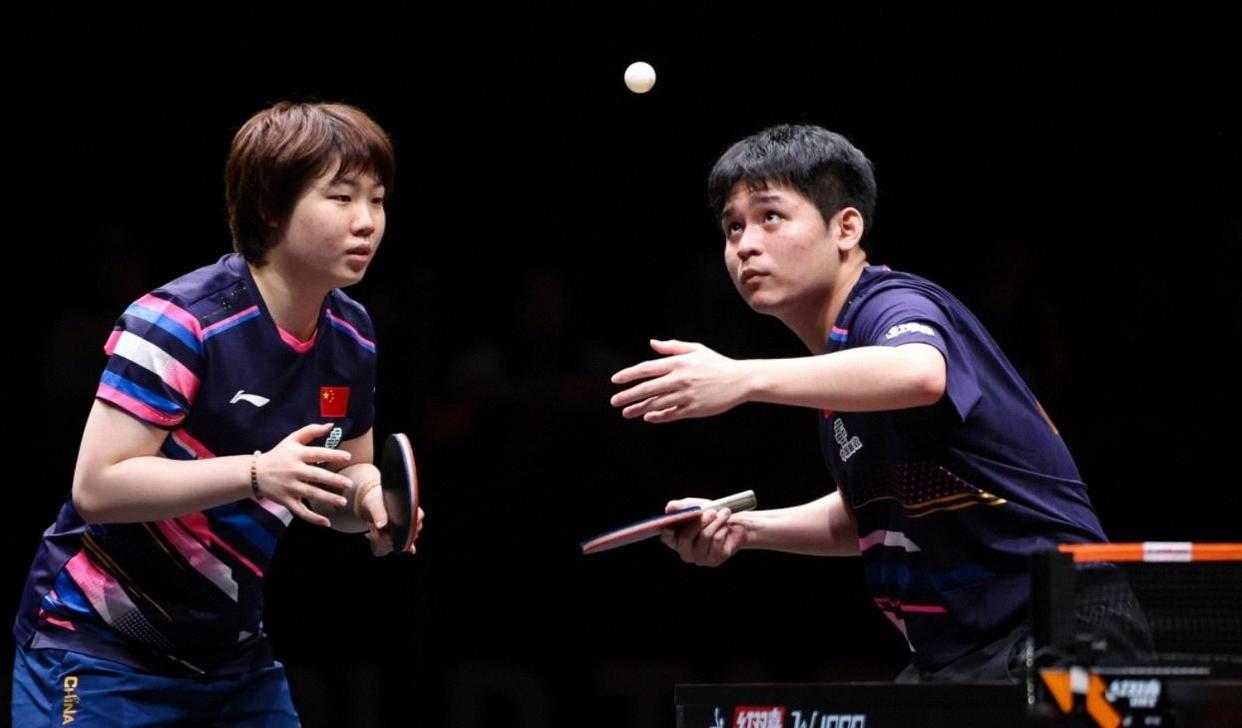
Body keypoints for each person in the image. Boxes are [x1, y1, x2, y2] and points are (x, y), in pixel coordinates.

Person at [609, 124, 1144, 682]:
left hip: (1061, 632)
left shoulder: (891, 304)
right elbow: (867, 515)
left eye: (770, 216)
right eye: (733, 226)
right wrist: (746, 530)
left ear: (845, 228)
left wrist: (742, 378)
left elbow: (920, 373)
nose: (745, 244)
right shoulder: (841, 367)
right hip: (963, 655)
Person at [12, 101, 424, 725]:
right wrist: (257, 473)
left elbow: (339, 479)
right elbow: (97, 488)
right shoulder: (179, 324)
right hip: (96, 646)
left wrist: (371, 502)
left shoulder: (352, 336)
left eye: (378, 200)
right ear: (270, 206)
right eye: (341, 198)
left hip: (232, 661)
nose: (367, 222)